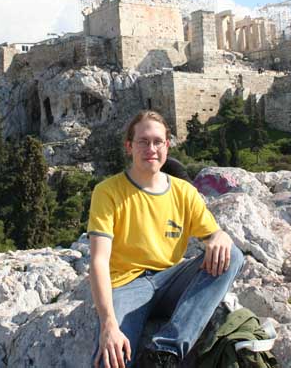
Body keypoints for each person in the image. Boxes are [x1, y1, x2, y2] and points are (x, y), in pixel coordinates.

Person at [88, 110, 243, 368]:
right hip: (126, 287)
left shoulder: (184, 192)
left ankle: (165, 352)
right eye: (143, 141)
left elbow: (213, 235)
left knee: (232, 255)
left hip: (171, 281)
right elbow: (99, 260)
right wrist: (108, 324)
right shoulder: (107, 192)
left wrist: (220, 235)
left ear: (167, 146)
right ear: (129, 146)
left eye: (158, 142)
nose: (151, 149)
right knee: (112, 359)